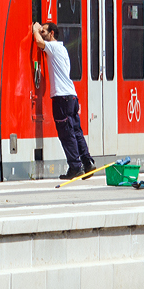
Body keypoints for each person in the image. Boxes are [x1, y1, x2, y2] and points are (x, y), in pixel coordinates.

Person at [31, 21, 95, 180]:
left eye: (44, 31)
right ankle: (87, 163)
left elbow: (39, 42)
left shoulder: (53, 47)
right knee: (76, 131)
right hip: (71, 96)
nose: (42, 34)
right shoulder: (63, 49)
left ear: (52, 33)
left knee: (66, 133)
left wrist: (34, 29)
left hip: (61, 98)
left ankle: (75, 166)